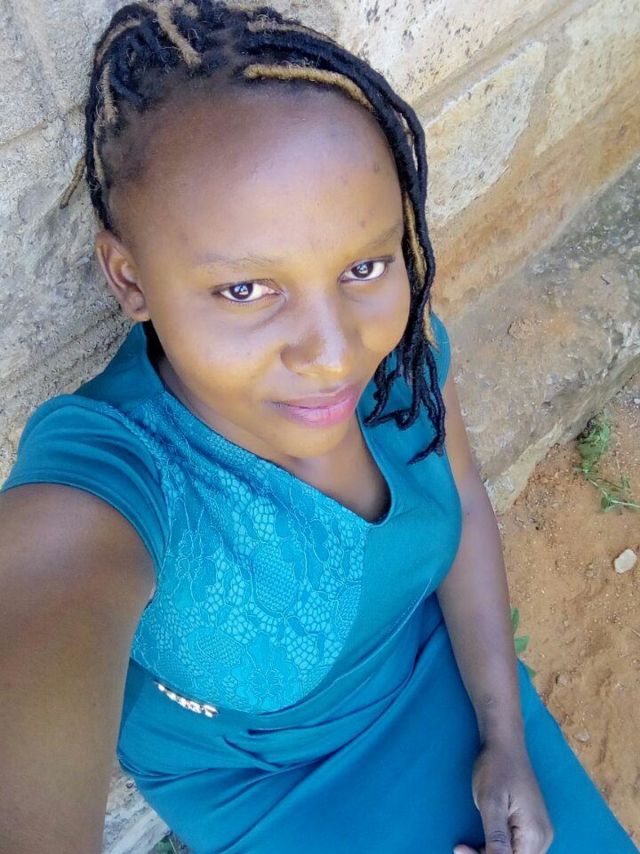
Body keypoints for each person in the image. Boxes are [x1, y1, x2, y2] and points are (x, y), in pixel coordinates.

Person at [0, 2, 636, 852]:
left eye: (363, 265)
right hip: (263, 786)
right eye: (245, 290)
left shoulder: (401, 355)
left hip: (447, 675)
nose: (336, 355)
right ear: (128, 278)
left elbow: (461, 497)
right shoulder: (115, 480)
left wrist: (505, 733)